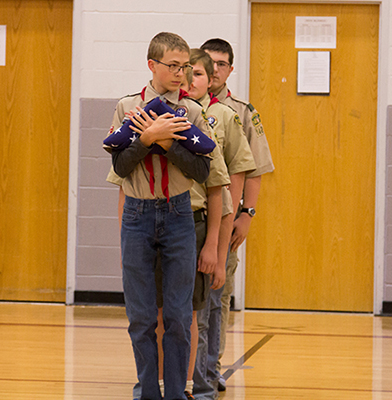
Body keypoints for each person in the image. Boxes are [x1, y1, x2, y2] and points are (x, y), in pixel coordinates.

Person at [110, 51, 231, 400]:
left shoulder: (192, 112)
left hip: (179, 214)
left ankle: (178, 393)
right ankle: (148, 392)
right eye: (173, 66)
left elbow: (203, 172)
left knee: (179, 317)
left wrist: (165, 141)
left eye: (185, 68)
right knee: (142, 317)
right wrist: (146, 138)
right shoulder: (128, 107)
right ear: (152, 65)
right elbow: (120, 168)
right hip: (138, 213)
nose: (181, 74)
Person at [200, 38, 275, 392]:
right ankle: (182, 369)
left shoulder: (241, 112)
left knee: (218, 296)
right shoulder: (183, 106)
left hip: (226, 220)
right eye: (208, 62)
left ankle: (210, 369)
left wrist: (247, 214)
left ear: (230, 69)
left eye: (221, 64)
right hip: (188, 219)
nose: (214, 70)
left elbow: (255, 169)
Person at [187, 48, 256, 400]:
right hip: (178, 225)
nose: (197, 78)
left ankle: (206, 378)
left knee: (213, 303)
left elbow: (240, 174)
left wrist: (240, 218)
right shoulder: (172, 112)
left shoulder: (229, 115)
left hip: (215, 223)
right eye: (192, 71)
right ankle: (180, 379)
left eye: (203, 72)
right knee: (182, 310)